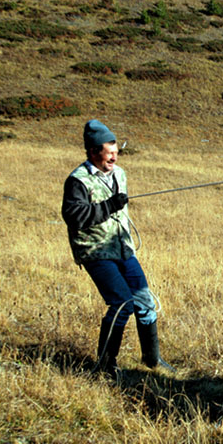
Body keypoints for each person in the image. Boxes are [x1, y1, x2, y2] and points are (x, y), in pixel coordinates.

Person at [62, 119, 173, 377]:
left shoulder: (120, 174)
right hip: (95, 250)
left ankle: (152, 361)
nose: (114, 157)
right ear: (93, 152)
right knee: (122, 303)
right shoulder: (77, 180)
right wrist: (110, 205)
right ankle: (105, 366)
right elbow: (74, 216)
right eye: (108, 152)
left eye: (116, 152)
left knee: (145, 301)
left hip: (124, 248)